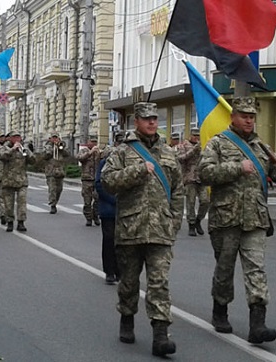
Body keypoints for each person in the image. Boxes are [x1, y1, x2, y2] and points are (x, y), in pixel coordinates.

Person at [198, 96, 276, 344]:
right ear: (233, 117)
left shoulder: (262, 147)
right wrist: (237, 168)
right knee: (224, 269)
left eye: (252, 116)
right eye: (244, 116)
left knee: (256, 270)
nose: (249, 120)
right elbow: (204, 173)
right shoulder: (218, 144)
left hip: (256, 219)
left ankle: (257, 323)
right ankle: (220, 310)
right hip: (225, 218)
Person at [102, 102, 184, 357]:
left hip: (160, 229)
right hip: (131, 228)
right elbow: (108, 181)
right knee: (128, 281)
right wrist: (138, 170)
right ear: (135, 121)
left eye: (154, 119)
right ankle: (127, 317)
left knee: (159, 283)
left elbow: (178, 190)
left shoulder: (168, 152)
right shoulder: (123, 151)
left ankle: (161, 334)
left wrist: (174, 222)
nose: (151, 123)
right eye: (146, 119)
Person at [95, 131, 124, 285]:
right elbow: (99, 184)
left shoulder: (132, 162)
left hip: (127, 210)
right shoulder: (106, 161)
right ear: (116, 144)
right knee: (109, 240)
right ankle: (109, 271)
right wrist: (114, 200)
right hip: (109, 209)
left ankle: (121, 270)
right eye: (120, 143)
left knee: (124, 242)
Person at [0, 130, 35, 232]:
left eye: (18, 137)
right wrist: (12, 150)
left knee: (22, 203)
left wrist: (27, 152)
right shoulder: (5, 148)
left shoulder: (24, 148)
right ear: (10, 138)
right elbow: (1, 157)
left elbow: (33, 161)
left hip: (21, 181)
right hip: (8, 181)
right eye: (15, 137)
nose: (17, 139)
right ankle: (10, 222)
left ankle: (21, 222)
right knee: (9, 204)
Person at [177, 127, 209, 236]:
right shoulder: (184, 145)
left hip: (201, 177)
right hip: (189, 177)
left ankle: (198, 220)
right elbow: (180, 158)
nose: (196, 138)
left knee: (205, 201)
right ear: (191, 135)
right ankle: (191, 225)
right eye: (195, 136)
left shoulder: (203, 145)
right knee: (191, 203)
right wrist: (193, 150)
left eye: (198, 136)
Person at [43, 133, 69, 214]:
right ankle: (52, 205)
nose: (55, 140)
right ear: (50, 139)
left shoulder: (61, 146)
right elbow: (45, 156)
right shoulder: (47, 146)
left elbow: (66, 154)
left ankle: (55, 202)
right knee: (52, 189)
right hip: (50, 171)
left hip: (60, 171)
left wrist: (60, 147)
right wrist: (50, 149)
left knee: (59, 189)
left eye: (56, 138)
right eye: (53, 138)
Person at [77, 135, 101, 226]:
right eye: (92, 142)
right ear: (88, 142)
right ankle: (88, 218)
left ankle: (96, 215)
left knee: (98, 199)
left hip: (97, 179)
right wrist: (90, 153)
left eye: (95, 142)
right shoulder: (84, 151)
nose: (94, 144)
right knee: (87, 200)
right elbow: (80, 158)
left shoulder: (99, 151)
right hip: (87, 179)